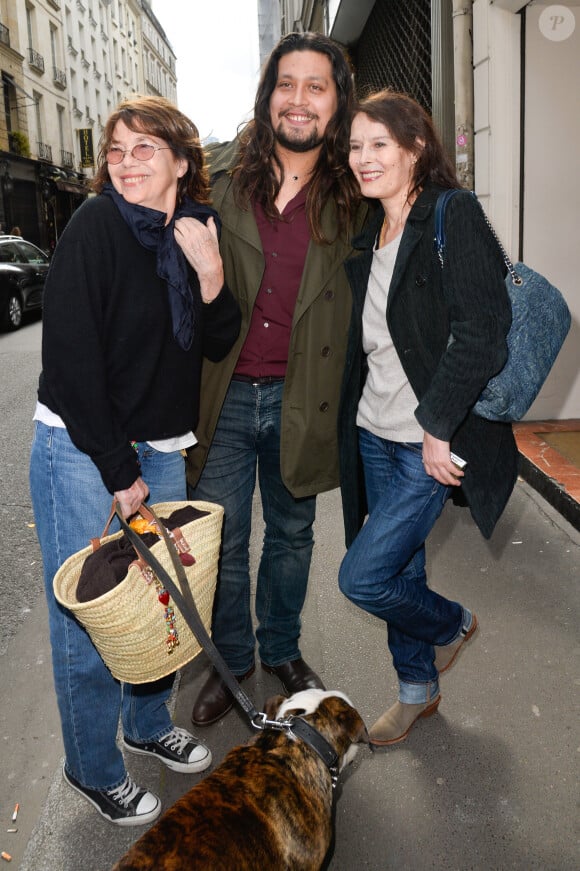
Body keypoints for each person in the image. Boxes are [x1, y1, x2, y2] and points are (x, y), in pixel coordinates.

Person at [29, 95, 241, 825]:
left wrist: (210, 272)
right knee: (87, 617)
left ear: (183, 161)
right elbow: (72, 362)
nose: (125, 164)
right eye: (116, 151)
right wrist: (119, 470)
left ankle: (147, 724)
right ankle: (92, 766)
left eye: (144, 149)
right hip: (83, 446)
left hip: (160, 443)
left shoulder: (196, 228)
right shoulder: (93, 228)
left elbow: (219, 338)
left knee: (158, 603)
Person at [186, 32, 367, 726]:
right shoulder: (217, 173)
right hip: (223, 393)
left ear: (336, 100)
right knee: (223, 541)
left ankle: (282, 649)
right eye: (285, 84)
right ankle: (230, 660)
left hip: (306, 396)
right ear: (268, 96)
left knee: (292, 537)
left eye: (315, 86)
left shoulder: (356, 194)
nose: (298, 99)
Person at [338, 90, 518, 746]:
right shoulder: (370, 231)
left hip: (422, 440)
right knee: (401, 569)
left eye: (380, 144)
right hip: (371, 432)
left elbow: (484, 330)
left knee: (364, 574)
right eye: (355, 146)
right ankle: (417, 691)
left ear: (416, 147)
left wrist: (438, 424)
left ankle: (453, 625)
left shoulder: (451, 212)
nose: (364, 158)